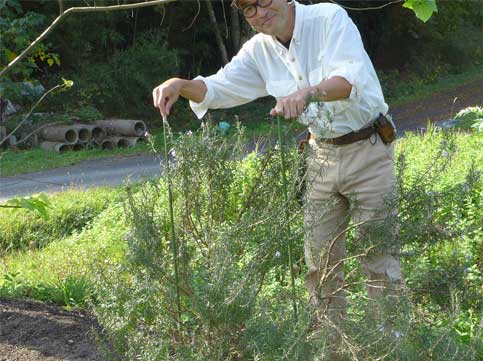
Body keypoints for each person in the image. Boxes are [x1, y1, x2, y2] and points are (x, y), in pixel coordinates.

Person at [153, 0, 402, 321]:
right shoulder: (258, 51)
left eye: (263, 1)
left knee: (378, 255)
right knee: (320, 264)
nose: (258, 12)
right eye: (248, 10)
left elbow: (348, 80)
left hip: (368, 147)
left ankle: (392, 349)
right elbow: (218, 87)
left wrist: (307, 93)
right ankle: (333, 355)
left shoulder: (328, 18)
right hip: (320, 156)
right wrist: (180, 85)